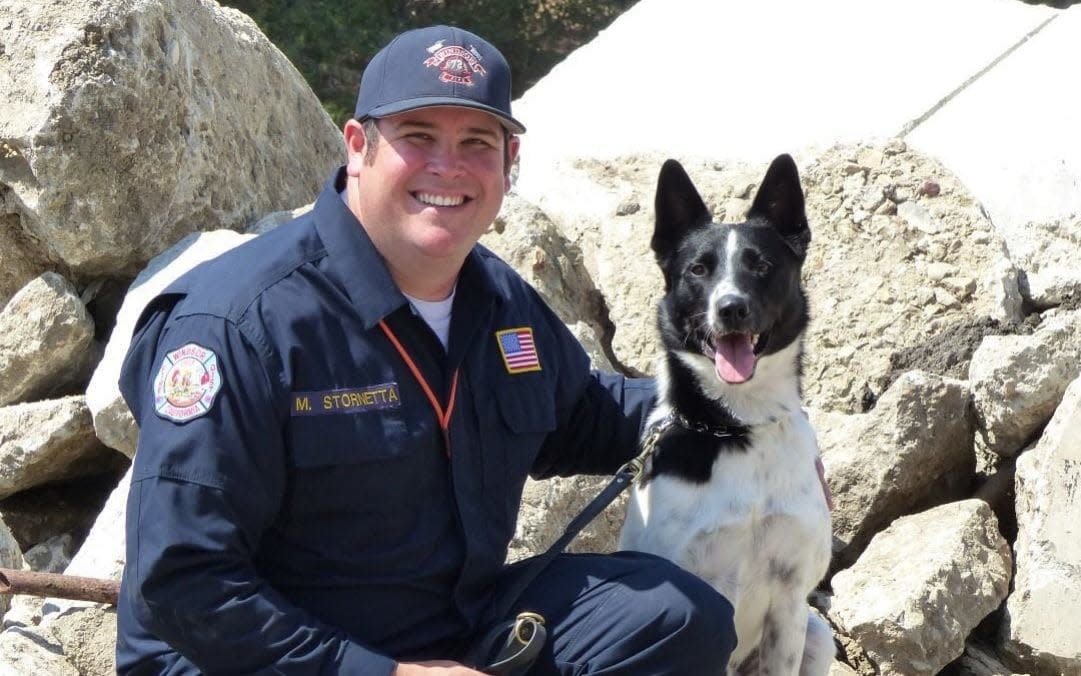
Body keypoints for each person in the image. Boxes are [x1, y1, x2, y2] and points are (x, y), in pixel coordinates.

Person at [116, 24, 736, 675]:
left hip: (446, 629)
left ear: (508, 160)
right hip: (256, 655)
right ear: (358, 146)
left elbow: (584, 415)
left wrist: (743, 416)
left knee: (674, 617)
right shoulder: (239, 322)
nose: (448, 165)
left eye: (477, 142)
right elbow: (185, 582)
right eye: (418, 137)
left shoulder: (496, 299)